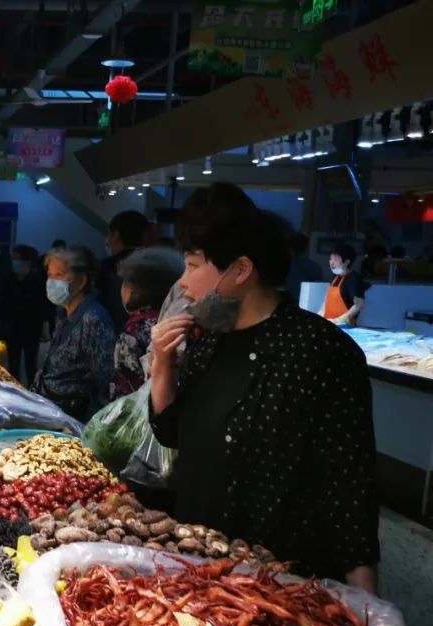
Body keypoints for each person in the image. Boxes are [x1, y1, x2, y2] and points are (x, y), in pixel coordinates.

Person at [149, 182, 378, 589]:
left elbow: (350, 491)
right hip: (195, 573)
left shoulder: (322, 352)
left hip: (281, 588)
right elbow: (171, 433)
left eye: (193, 265)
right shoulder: (207, 340)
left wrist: (368, 610)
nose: (182, 282)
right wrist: (163, 367)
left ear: (240, 270)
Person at [31, 245, 116, 422]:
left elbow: (105, 382)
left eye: (59, 275)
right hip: (50, 412)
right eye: (49, 274)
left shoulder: (93, 320)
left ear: (82, 281)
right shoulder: (63, 313)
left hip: (74, 420)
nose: (51, 281)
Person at [111, 247, 183, 399]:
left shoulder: (133, 332)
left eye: (125, 283)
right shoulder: (176, 320)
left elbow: (123, 393)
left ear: (137, 290)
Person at [3, 244, 48, 383]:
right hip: (13, 327)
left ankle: (32, 391)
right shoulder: (10, 279)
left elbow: (44, 306)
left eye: (16, 258)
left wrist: (44, 328)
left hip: (31, 327)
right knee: (13, 364)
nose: (13, 262)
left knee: (30, 364)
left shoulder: (38, 280)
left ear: (26, 261)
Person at [98, 210, 149, 329]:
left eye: (109, 234)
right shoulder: (154, 263)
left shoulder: (108, 267)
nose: (108, 241)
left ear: (115, 235)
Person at [319, 243, 368, 326]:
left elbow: (359, 304)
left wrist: (340, 320)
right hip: (330, 324)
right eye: (330, 259)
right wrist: (319, 316)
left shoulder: (353, 279)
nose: (331, 262)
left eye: (335, 260)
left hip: (345, 327)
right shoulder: (335, 278)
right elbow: (326, 303)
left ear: (346, 262)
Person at [284, 232, 324, 304]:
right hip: (305, 306)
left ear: (290, 247)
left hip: (284, 305)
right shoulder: (314, 267)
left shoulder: (284, 265)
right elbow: (318, 293)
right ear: (306, 248)